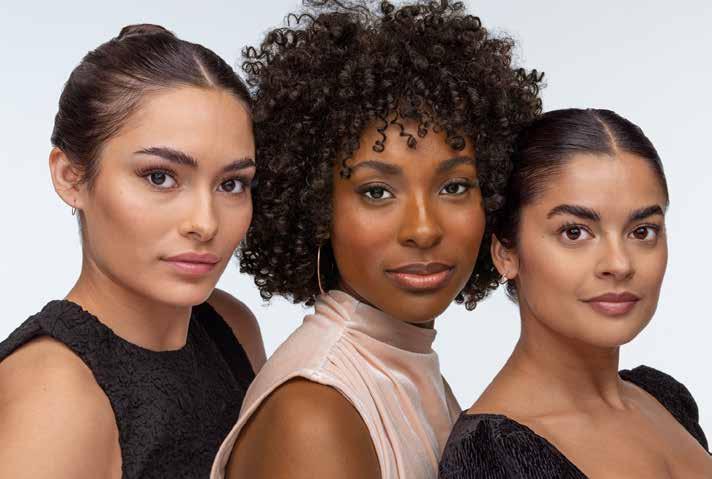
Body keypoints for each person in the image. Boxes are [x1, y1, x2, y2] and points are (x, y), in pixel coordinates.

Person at [210, 1, 543, 478]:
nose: (424, 229)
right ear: (317, 207)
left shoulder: (409, 368)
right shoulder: (315, 415)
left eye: (454, 187)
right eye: (377, 192)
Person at [0, 24, 265, 478]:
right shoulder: (55, 396)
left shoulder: (229, 326)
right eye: (160, 177)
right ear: (70, 177)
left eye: (231, 184)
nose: (205, 223)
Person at [438, 108, 712, 478]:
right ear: (506, 253)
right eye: (574, 232)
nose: (619, 264)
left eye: (642, 231)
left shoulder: (664, 398)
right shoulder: (492, 458)